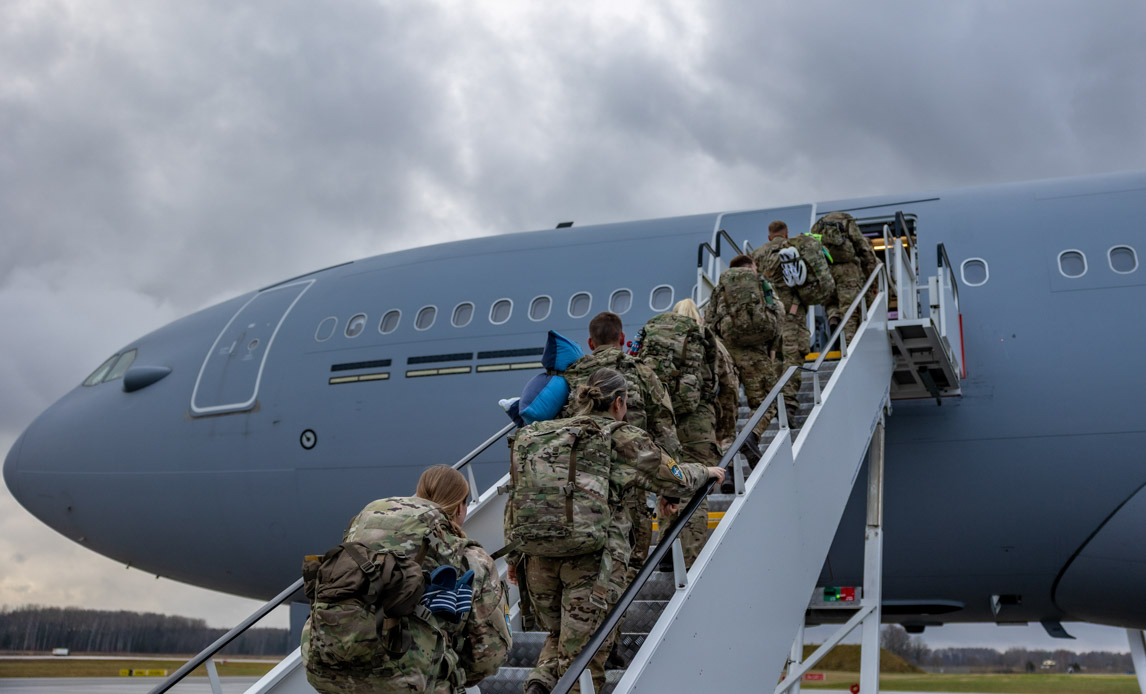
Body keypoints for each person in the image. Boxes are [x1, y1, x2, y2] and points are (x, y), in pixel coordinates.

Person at [505, 368, 725, 694]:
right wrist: (706, 471)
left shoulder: (545, 434)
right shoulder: (620, 436)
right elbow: (675, 478)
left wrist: (513, 559)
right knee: (587, 654)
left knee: (561, 636)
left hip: (537, 561)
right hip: (592, 562)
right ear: (619, 402)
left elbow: (516, 498)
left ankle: (539, 686)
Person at [302, 466, 511, 694]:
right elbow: (490, 656)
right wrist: (446, 671)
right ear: (460, 507)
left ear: (420, 496)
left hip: (335, 679)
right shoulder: (471, 559)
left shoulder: (362, 547)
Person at [560, 312, 680, 586]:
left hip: (579, 487)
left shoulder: (571, 374)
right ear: (623, 338)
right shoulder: (640, 370)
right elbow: (666, 430)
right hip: (631, 485)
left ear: (590, 343)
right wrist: (670, 489)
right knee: (630, 564)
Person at [637, 299, 723, 568]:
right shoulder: (704, 338)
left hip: (663, 420)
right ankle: (690, 560)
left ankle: (665, 551)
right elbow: (719, 384)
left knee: (669, 479)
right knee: (696, 487)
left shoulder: (658, 337)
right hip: (697, 422)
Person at [751, 220, 833, 423]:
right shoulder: (793, 249)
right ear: (786, 234)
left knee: (775, 358)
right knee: (792, 357)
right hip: (792, 314)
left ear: (769, 236)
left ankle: (775, 402)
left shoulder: (757, 254)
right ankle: (787, 404)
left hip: (769, 316)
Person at [703, 254, 784, 440]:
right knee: (767, 400)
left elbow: (709, 321)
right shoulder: (762, 284)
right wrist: (773, 348)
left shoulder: (721, 288)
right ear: (751, 267)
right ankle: (751, 435)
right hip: (756, 353)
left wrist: (716, 353)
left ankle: (726, 451)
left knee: (727, 405)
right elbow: (778, 313)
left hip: (727, 353)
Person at [812, 211, 878, 345]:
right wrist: (873, 278)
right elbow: (863, 248)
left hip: (827, 270)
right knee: (850, 310)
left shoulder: (819, 225)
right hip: (848, 271)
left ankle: (833, 318)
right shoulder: (848, 222)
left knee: (831, 302)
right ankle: (849, 346)